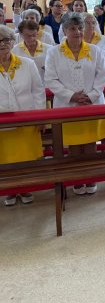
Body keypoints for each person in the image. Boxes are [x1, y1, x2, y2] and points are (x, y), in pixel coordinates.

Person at [44, 13, 105, 195]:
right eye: (72, 28)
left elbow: (102, 74)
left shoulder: (94, 50)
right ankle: (77, 179)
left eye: (80, 28)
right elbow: (50, 79)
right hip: (67, 106)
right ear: (64, 30)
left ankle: (90, 178)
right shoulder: (54, 52)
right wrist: (71, 96)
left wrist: (92, 95)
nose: (78, 32)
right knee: (72, 145)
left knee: (91, 144)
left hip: (92, 103)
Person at [0, 25, 46, 206]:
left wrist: (40, 117)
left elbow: (38, 91)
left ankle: (27, 187)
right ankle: (10, 190)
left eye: (6, 39)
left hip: (26, 117)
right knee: (5, 157)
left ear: (13, 42)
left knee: (26, 156)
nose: (2, 44)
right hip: (2, 122)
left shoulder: (27, 63)